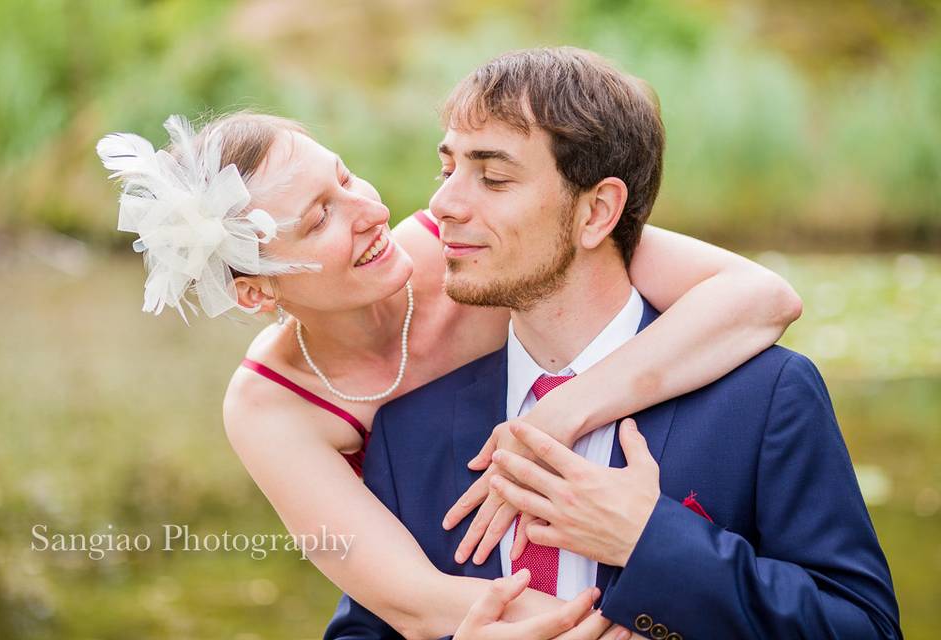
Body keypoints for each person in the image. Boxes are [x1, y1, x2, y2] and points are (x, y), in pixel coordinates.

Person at [97, 83, 802, 639]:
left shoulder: (471, 243)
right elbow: (413, 601)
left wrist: (558, 415)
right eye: (320, 218)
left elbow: (760, 297)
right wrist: (621, 622)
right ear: (255, 294)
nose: (368, 208)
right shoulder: (271, 408)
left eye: (344, 177)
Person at [324, 47, 901, 639]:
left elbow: (864, 627)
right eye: (447, 171)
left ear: (597, 211)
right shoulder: (409, 428)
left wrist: (650, 538)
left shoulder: (767, 395)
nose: (442, 205)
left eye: (493, 177)